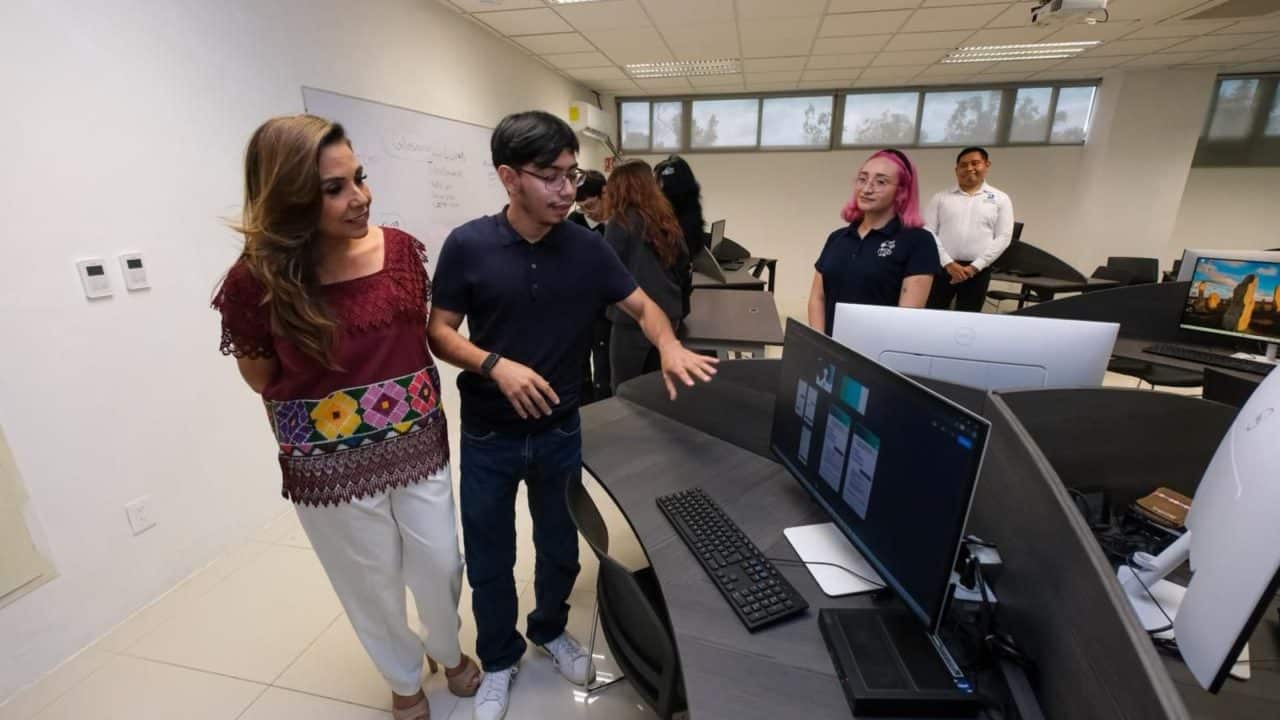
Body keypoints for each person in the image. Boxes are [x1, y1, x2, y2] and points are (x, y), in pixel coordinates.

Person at [426, 111, 717, 720]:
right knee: (490, 554)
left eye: (572, 174)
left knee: (560, 545)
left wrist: (667, 343)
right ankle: (499, 658)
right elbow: (441, 332)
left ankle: (550, 630)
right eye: (550, 176)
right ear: (509, 178)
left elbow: (644, 307)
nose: (566, 190)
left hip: (559, 429)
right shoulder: (468, 245)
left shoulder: (588, 247)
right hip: (489, 433)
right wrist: (494, 365)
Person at [212, 115, 479, 720]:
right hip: (327, 462)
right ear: (289, 198)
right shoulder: (254, 281)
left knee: (440, 562)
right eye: (334, 189)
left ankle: (446, 647)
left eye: (359, 178)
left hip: (416, 443)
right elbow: (259, 376)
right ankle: (403, 677)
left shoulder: (400, 250)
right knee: (368, 580)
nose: (360, 197)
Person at [808, 148, 938, 336]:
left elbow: (907, 318)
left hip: (877, 350)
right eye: (862, 179)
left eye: (881, 182)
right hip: (830, 348)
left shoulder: (918, 241)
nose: (867, 189)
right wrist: (819, 343)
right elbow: (818, 298)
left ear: (902, 190)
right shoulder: (837, 238)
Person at [602, 160, 690, 391]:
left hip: (631, 319)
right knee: (661, 387)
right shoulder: (665, 218)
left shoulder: (619, 222)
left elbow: (605, 269)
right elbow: (683, 263)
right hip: (669, 315)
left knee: (624, 389)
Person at [924, 147, 1015, 312]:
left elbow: (1004, 236)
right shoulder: (940, 198)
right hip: (943, 269)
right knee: (934, 315)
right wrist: (948, 263)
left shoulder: (1001, 199)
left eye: (975, 163)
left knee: (968, 319)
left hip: (978, 272)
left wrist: (975, 267)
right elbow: (928, 232)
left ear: (986, 165)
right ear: (956, 170)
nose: (969, 168)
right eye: (963, 165)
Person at [563, 170, 613, 402]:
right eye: (583, 208)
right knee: (580, 363)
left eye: (591, 205)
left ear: (605, 193)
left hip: (611, 308)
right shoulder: (572, 223)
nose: (589, 212)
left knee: (605, 364)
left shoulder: (619, 224)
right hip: (580, 305)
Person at [565, 169, 607, 235]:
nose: (587, 212)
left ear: (604, 193)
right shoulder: (574, 220)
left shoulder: (618, 220)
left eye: (590, 206)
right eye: (581, 208)